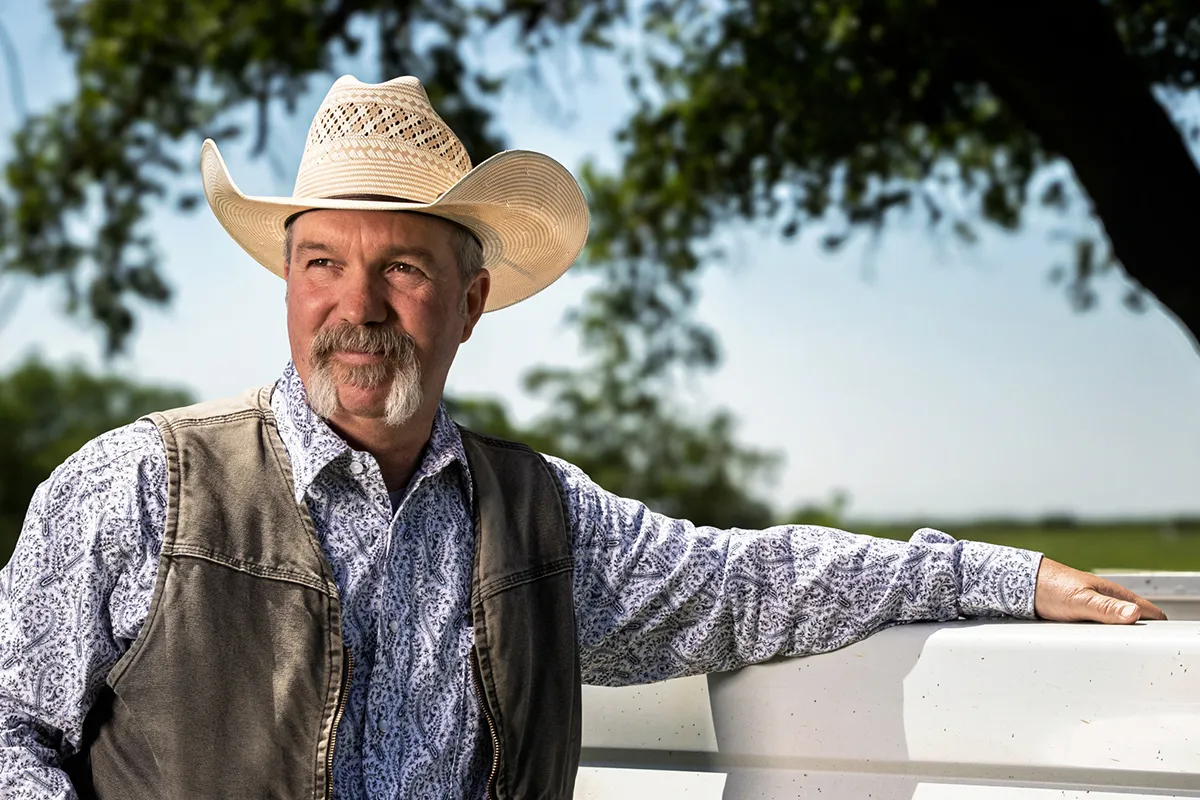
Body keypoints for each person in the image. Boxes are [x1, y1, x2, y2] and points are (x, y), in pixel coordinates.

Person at [0, 75, 1165, 800]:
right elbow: (11, 727)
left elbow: (747, 581)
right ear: (288, 285)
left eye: (400, 265)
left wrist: (991, 574)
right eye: (321, 262)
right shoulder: (136, 487)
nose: (355, 304)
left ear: (468, 302)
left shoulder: (542, 513)